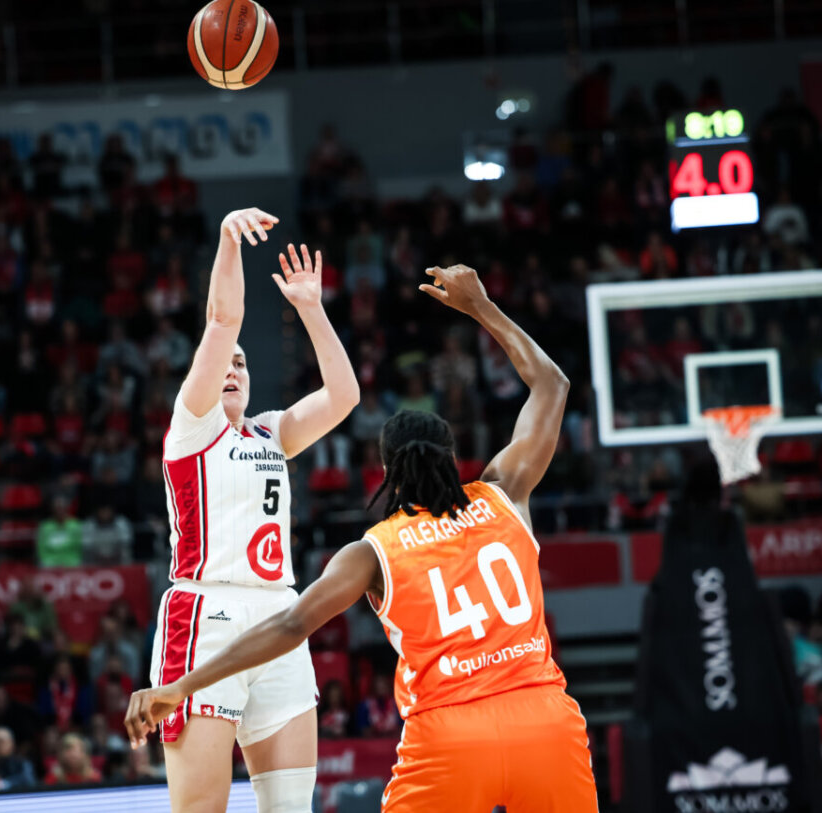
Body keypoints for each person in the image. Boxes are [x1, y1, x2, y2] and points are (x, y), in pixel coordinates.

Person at [127, 264, 597, 812]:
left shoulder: (375, 549)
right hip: (542, 715)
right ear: (453, 456)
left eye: (241, 361)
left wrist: (182, 685)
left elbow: (292, 623)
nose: (232, 368)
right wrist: (480, 307)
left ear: (387, 473)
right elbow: (553, 385)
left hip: (446, 732)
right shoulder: (504, 494)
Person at [136, 207, 359, 811]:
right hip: (205, 615)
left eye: (242, 363)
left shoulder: (269, 433)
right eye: (223, 362)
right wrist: (229, 240)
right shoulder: (192, 425)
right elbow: (223, 318)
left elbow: (343, 397)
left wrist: (311, 308)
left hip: (280, 616)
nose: (232, 368)